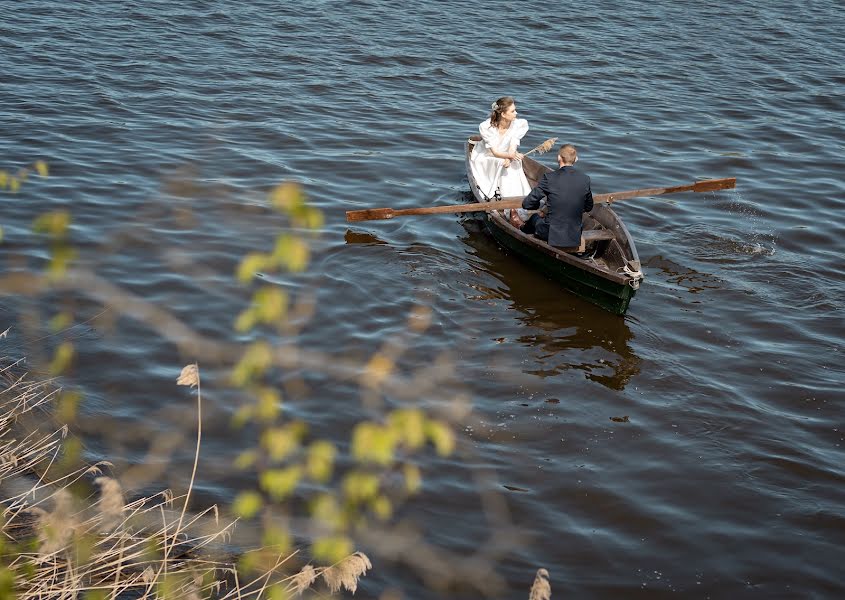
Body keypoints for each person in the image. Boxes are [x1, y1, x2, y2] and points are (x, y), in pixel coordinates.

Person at [469, 96, 532, 225]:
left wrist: (512, 155)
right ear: (503, 114)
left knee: (515, 163)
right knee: (502, 162)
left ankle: (514, 207)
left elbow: (512, 147)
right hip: (486, 157)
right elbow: (494, 152)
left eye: (515, 110)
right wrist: (507, 157)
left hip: (505, 155)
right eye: (513, 111)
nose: (516, 113)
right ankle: (510, 208)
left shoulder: (518, 125)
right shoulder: (486, 126)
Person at [521, 144, 593, 252]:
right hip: (574, 234)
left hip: (551, 233)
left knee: (534, 218)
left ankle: (521, 231)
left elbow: (527, 204)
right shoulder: (585, 179)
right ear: (576, 159)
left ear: (559, 158)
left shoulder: (549, 178)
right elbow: (588, 207)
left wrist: (539, 206)